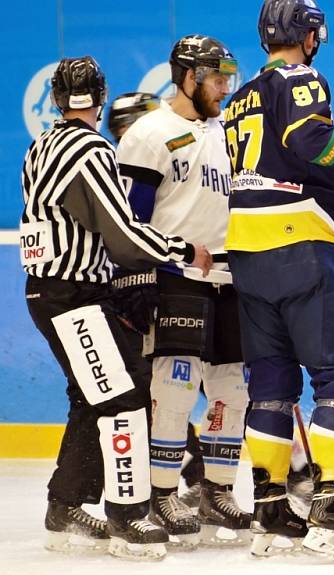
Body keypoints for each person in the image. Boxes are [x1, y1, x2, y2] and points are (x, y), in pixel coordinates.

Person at [223, 0, 334, 560]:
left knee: (271, 385)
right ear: (305, 35)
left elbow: (277, 164)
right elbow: (309, 142)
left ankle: (271, 510)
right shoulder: (301, 77)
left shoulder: (238, 98)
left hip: (246, 251)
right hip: (299, 245)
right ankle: (330, 508)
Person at [20, 56, 211, 560]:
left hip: (50, 291)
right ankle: (127, 514)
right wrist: (184, 250)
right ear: (100, 99)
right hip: (76, 294)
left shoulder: (42, 146)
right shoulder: (90, 148)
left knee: (93, 396)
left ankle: (64, 507)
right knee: (125, 396)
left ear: (58, 99)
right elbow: (123, 235)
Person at [116, 35, 252, 547]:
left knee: (231, 389)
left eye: (227, 77)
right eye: (216, 78)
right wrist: (137, 277)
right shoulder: (149, 133)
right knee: (173, 388)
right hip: (176, 275)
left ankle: (217, 491)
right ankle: (163, 492)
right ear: (189, 77)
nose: (224, 87)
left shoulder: (231, 133)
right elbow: (132, 217)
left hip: (232, 277)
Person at [108, 91, 207, 509]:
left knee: (193, 385)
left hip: (182, 282)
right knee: (162, 388)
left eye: (131, 126)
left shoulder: (169, 151)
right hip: (140, 288)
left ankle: (198, 475)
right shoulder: (120, 166)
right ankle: (185, 476)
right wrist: (131, 279)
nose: (126, 136)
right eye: (119, 130)